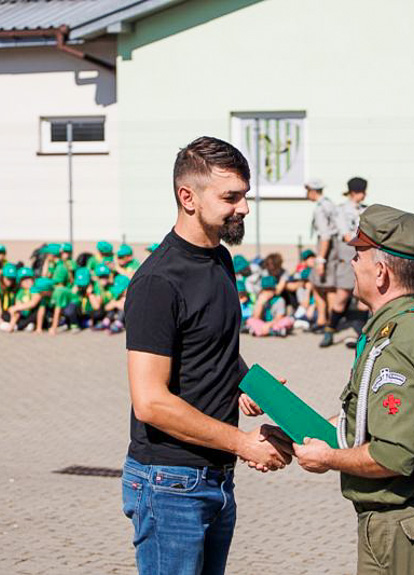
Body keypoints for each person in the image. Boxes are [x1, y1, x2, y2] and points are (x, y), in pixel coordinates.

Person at [122, 136, 291, 575]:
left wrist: (250, 386)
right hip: (170, 484)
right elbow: (151, 401)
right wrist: (243, 443)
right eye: (231, 197)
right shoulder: (158, 282)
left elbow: (212, 347)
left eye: (245, 196)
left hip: (215, 477)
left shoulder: (219, 259)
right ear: (188, 197)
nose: (244, 208)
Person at [293, 204, 414, 575]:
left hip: (410, 530)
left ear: (380, 272)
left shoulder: (398, 344)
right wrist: (294, 430)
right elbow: (367, 421)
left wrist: (327, 459)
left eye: (358, 255)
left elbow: (394, 455)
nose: (351, 263)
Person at [321, 176, 367, 347]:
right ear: (354, 192)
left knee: (364, 299)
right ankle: (330, 330)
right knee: (342, 296)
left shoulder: (365, 209)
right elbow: (346, 235)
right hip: (347, 257)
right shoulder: (340, 210)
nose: (364, 195)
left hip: (364, 257)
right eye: (362, 191)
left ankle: (360, 335)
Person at [306, 178, 338, 334]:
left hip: (327, 249)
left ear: (313, 190)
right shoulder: (328, 203)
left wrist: (320, 260)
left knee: (323, 286)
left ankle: (326, 321)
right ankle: (326, 320)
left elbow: (325, 235)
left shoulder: (321, 208)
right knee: (325, 286)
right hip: (332, 249)